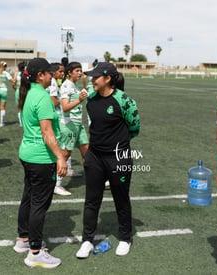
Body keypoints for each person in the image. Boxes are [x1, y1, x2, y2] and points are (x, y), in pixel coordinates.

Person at [75, 62, 140, 259]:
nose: (92, 80)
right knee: (91, 200)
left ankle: (125, 238)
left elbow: (134, 127)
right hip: (94, 156)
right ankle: (87, 240)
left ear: (108, 79)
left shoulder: (124, 101)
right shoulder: (91, 98)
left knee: (121, 198)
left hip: (118, 158)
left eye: (96, 77)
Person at [13, 58, 67, 269]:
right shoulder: (42, 96)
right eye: (49, 72)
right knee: (39, 204)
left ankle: (24, 240)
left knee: (28, 197)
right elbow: (47, 132)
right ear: (40, 75)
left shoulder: (28, 93)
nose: (52, 75)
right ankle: (35, 252)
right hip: (41, 158)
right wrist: (60, 156)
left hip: (28, 154)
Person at [55, 61, 89, 196]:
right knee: (65, 154)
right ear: (70, 73)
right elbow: (64, 107)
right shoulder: (66, 86)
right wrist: (79, 100)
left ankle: (94, 180)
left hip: (78, 125)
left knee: (87, 151)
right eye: (77, 71)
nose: (80, 73)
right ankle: (56, 185)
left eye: (80, 71)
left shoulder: (74, 86)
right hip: (68, 125)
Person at [0, 61, 15, 127]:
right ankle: (1, 123)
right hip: (3, 90)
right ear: (5, 66)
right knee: (2, 107)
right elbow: (13, 81)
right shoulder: (6, 73)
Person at [14, 62, 26, 127]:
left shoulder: (16, 73)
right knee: (25, 106)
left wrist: (15, 88)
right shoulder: (26, 73)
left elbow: (13, 83)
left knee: (19, 107)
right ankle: (25, 121)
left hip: (18, 90)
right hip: (25, 90)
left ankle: (21, 123)